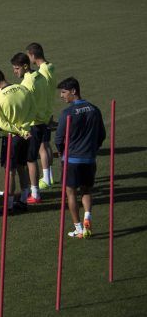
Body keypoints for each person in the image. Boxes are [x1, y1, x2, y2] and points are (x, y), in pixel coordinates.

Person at [55, 77, 105, 238]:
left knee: (70, 193)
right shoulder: (94, 109)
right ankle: (87, 217)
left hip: (72, 161)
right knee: (86, 190)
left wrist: (62, 153)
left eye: (64, 92)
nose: (61, 96)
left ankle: (78, 228)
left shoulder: (67, 113)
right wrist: (92, 149)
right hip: (89, 159)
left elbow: (58, 139)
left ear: (74, 91)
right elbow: (102, 135)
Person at [0, 68, 36, 214]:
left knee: (10, 171)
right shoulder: (22, 89)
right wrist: (25, 129)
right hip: (27, 134)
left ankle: (8, 206)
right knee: (22, 167)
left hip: (11, 137)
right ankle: (24, 200)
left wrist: (19, 131)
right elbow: (33, 109)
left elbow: (2, 124)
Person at [10, 52, 48, 204]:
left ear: (25, 66)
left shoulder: (26, 83)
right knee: (29, 158)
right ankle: (30, 190)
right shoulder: (40, 77)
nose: (15, 71)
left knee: (30, 159)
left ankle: (35, 194)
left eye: (17, 68)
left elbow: (23, 106)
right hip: (42, 121)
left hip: (32, 124)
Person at [27, 42, 56, 189]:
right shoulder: (50, 66)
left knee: (42, 146)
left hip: (42, 112)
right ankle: (49, 176)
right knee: (46, 144)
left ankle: (45, 178)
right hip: (49, 110)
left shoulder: (43, 71)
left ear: (32, 55)